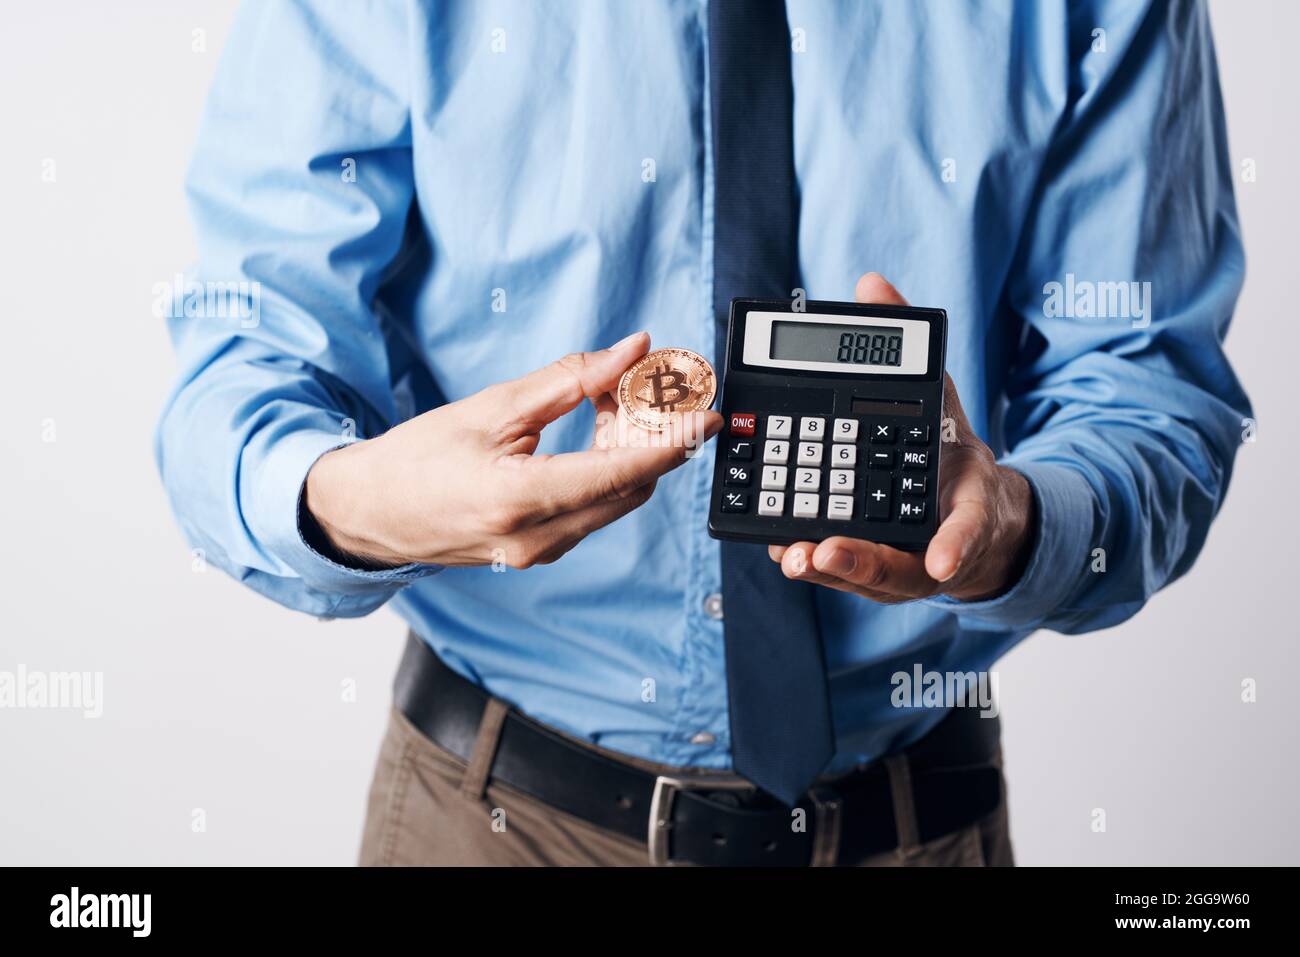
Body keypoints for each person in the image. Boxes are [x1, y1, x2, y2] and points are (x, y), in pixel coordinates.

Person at [157, 0, 1249, 866]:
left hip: (915, 818)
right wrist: (354, 505)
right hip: (492, 826)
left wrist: (1017, 524)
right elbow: (249, 359)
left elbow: (1146, 385)